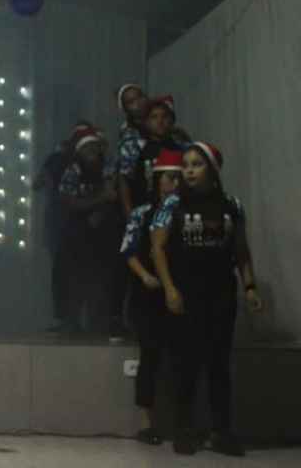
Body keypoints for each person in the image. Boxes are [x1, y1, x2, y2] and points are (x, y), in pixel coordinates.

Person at [150, 142, 264, 456]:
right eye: (185, 164)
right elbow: (157, 248)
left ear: (212, 170)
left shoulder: (231, 205)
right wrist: (169, 288)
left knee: (218, 364)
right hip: (185, 293)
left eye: (196, 164)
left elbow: (241, 249)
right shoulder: (172, 203)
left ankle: (222, 432)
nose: (188, 170)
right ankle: (184, 430)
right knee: (185, 363)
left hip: (221, 294)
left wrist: (250, 286)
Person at [119, 148, 183, 445]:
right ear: (158, 180)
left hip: (180, 293)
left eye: (178, 178)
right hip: (148, 295)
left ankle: (181, 422)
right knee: (150, 357)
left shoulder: (184, 212)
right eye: (170, 178)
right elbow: (129, 251)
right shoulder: (142, 212)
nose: (175, 183)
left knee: (180, 357)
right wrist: (145, 276)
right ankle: (148, 423)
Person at [57, 128, 120, 334]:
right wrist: (99, 200)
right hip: (77, 234)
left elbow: (112, 193)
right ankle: (72, 321)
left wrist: (97, 208)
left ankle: (99, 323)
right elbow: (69, 202)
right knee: (76, 278)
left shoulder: (108, 166)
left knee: (102, 279)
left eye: (95, 147)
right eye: (87, 148)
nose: (92, 151)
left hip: (103, 233)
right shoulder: (73, 171)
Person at [35, 121, 91, 334]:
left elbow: (37, 183)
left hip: (64, 223)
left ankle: (68, 318)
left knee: (65, 272)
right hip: (64, 223)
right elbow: (38, 183)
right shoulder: (70, 161)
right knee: (69, 272)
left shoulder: (60, 159)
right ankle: (71, 319)